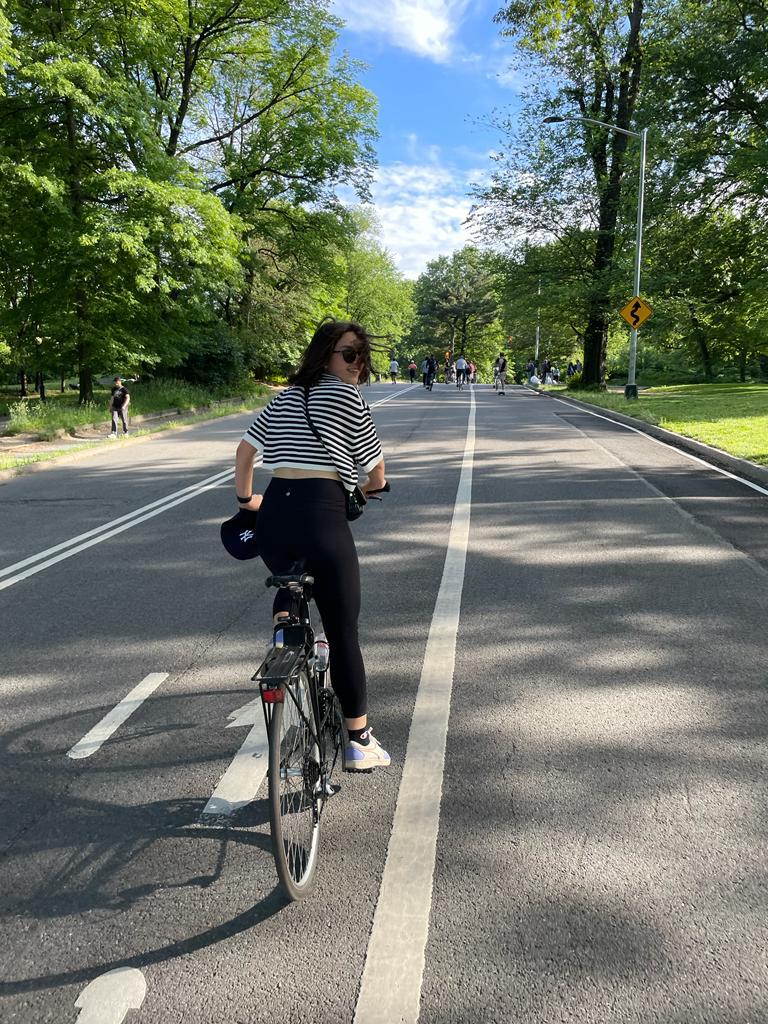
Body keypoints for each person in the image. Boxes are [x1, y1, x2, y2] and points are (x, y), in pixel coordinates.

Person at [234, 319, 390, 770]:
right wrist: (370, 488)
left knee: (291, 577)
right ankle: (359, 740)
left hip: (274, 517)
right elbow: (374, 472)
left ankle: (285, 634)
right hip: (322, 514)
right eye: (348, 354)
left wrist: (247, 500)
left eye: (362, 355)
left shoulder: (283, 398)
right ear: (325, 355)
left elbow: (246, 453)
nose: (358, 364)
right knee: (343, 633)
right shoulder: (346, 397)